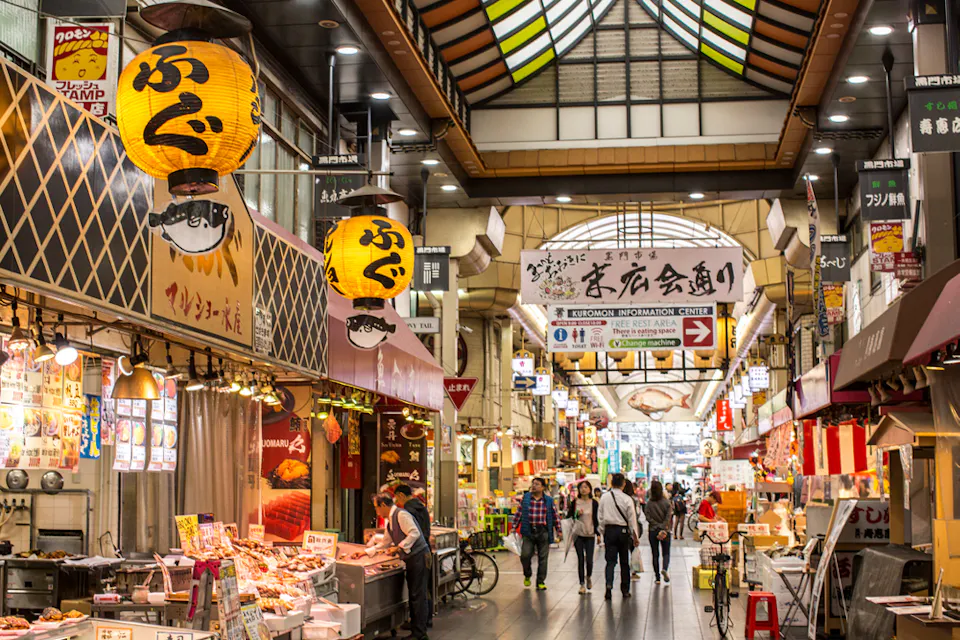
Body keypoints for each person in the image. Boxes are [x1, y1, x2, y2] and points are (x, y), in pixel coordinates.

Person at [368, 493, 429, 640]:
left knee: (417, 595)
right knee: (415, 594)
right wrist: (367, 552)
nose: (377, 512)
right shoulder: (391, 520)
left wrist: (399, 547)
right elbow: (386, 542)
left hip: (419, 556)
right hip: (412, 558)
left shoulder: (401, 515)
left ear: (383, 505)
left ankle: (420, 634)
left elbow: (414, 533)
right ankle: (417, 628)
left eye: (376, 507)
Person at [511, 477, 562, 590]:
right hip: (529, 531)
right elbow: (519, 513)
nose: (534, 486)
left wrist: (559, 530)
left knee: (543, 558)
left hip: (543, 532)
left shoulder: (548, 500)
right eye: (533, 484)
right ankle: (527, 574)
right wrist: (513, 527)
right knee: (525, 555)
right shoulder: (526, 498)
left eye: (537, 484)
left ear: (543, 487)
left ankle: (540, 581)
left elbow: (555, 516)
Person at [394, 484, 432, 628]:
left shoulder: (407, 511)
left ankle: (418, 626)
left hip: (417, 553)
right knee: (423, 589)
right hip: (426, 550)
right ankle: (425, 620)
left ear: (401, 496)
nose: (397, 501)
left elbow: (413, 533)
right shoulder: (421, 506)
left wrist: (400, 546)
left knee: (417, 592)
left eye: (396, 497)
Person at [598, 473, 640, 600]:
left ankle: (609, 585)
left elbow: (600, 517)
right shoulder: (627, 499)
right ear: (623, 484)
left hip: (609, 531)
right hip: (623, 532)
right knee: (624, 562)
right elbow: (632, 519)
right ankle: (625, 589)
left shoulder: (604, 498)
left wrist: (602, 531)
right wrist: (635, 536)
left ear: (611, 483)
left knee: (610, 562)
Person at [566, 480, 599, 594]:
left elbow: (597, 519)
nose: (583, 489)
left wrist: (598, 534)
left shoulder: (594, 503)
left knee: (589, 559)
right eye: (581, 487)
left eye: (585, 487)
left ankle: (588, 576)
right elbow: (569, 517)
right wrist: (576, 514)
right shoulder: (575, 502)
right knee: (580, 558)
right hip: (577, 534)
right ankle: (581, 584)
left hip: (590, 534)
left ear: (590, 489)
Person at [644, 480, 673, 585]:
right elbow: (668, 517)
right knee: (666, 552)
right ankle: (664, 568)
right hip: (665, 531)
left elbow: (647, 517)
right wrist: (663, 528)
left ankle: (657, 578)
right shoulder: (666, 503)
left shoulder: (649, 503)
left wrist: (656, 526)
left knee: (655, 554)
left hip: (653, 531)